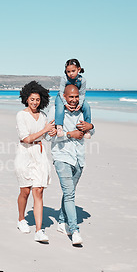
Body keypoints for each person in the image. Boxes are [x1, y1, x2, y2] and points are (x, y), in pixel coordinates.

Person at [49, 84, 94, 245]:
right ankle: (74, 231)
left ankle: (61, 222)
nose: (74, 100)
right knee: (69, 194)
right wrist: (69, 134)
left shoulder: (83, 110)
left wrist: (91, 127)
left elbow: (89, 131)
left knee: (69, 192)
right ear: (64, 97)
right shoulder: (56, 111)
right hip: (62, 157)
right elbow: (49, 137)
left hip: (79, 158)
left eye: (76, 97)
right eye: (71, 97)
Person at [15, 81, 56, 243]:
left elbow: (46, 137)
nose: (34, 102)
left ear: (42, 100)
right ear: (26, 99)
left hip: (39, 154)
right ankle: (21, 219)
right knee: (25, 191)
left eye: (37, 100)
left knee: (38, 190)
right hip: (24, 153)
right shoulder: (21, 115)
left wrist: (52, 132)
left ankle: (39, 230)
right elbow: (26, 138)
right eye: (32, 99)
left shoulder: (44, 116)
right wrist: (45, 130)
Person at [55, 59, 92, 139]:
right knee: (60, 108)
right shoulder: (64, 79)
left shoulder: (82, 80)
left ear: (79, 69)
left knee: (87, 107)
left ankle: (87, 128)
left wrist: (80, 104)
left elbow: (82, 94)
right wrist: (65, 103)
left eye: (73, 71)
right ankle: (59, 127)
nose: (71, 74)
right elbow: (61, 92)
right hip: (62, 96)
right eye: (68, 71)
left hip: (76, 97)